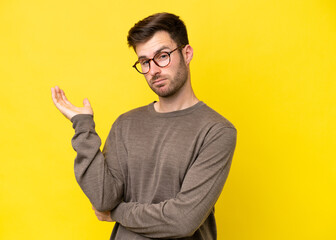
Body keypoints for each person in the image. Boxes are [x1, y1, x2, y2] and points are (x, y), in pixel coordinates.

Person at [51, 12, 237, 240]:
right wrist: (83, 127)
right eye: (145, 61)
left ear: (186, 54)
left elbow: (182, 220)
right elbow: (103, 199)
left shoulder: (216, 131)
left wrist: (117, 212)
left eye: (163, 56)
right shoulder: (126, 124)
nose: (154, 70)